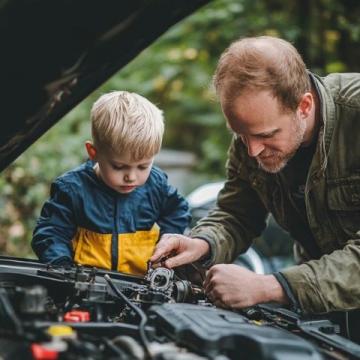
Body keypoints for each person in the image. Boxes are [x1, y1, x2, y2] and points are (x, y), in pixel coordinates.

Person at [151, 36, 360, 316]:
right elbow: (237, 212)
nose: (252, 151)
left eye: (265, 135)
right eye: (240, 134)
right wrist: (202, 243)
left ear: (304, 106)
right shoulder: (254, 131)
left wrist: (270, 286)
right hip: (323, 310)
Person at [32, 91, 191, 275]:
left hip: (139, 288)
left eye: (142, 166)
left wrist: (165, 248)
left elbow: (177, 211)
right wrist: (62, 267)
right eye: (119, 166)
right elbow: (51, 233)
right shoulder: (72, 189)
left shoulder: (156, 185)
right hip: (84, 285)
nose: (131, 176)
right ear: (93, 152)